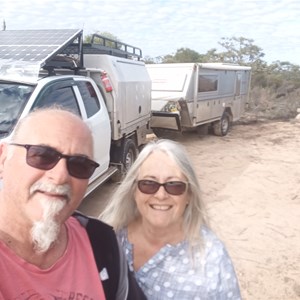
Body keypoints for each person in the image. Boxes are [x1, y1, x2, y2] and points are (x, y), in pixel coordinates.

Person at [0, 107, 146, 300]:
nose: (61, 177)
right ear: (3, 158)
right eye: (42, 155)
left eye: (80, 165)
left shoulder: (100, 242)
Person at [100, 139, 242, 299]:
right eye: (148, 184)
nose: (161, 195)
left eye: (174, 185)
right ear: (134, 191)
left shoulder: (211, 257)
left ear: (189, 194)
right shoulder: (109, 240)